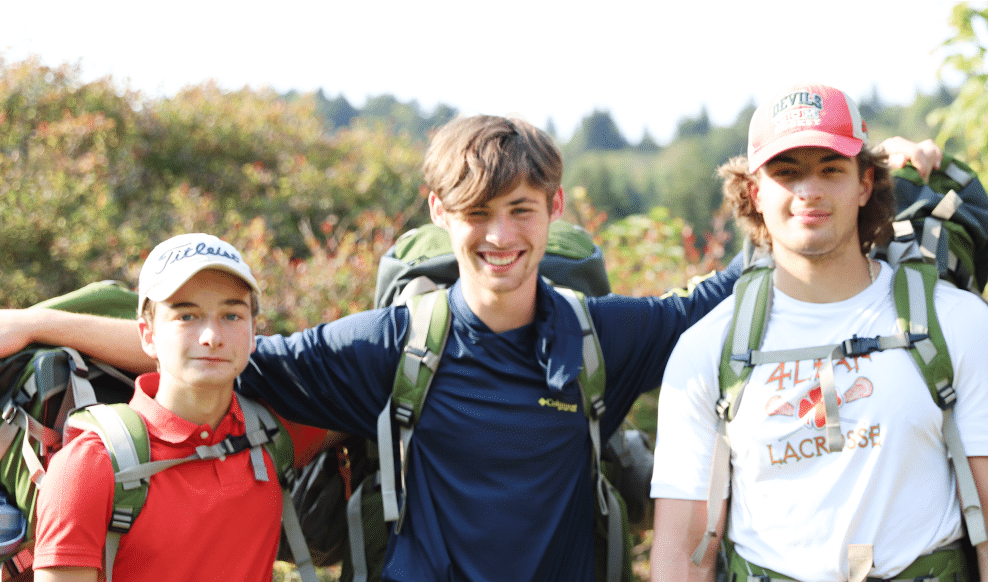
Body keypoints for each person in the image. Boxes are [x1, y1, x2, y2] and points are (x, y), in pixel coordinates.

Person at [0, 114, 940, 582]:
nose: (501, 238)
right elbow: (208, 348)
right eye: (479, 215)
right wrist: (38, 324)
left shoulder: (601, 334)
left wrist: (868, 174)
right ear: (442, 216)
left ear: (555, 209)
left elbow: (747, 277)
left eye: (520, 211)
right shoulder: (392, 342)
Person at [649, 82, 988, 582]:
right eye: (786, 172)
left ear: (865, 184)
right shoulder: (707, 349)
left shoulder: (958, 323)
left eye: (831, 170)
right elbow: (682, 555)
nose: (809, 191)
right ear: (755, 192)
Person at [33, 233, 283, 581]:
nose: (212, 336)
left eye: (231, 315)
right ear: (147, 334)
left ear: (254, 331)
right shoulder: (88, 467)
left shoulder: (273, 436)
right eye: (187, 316)